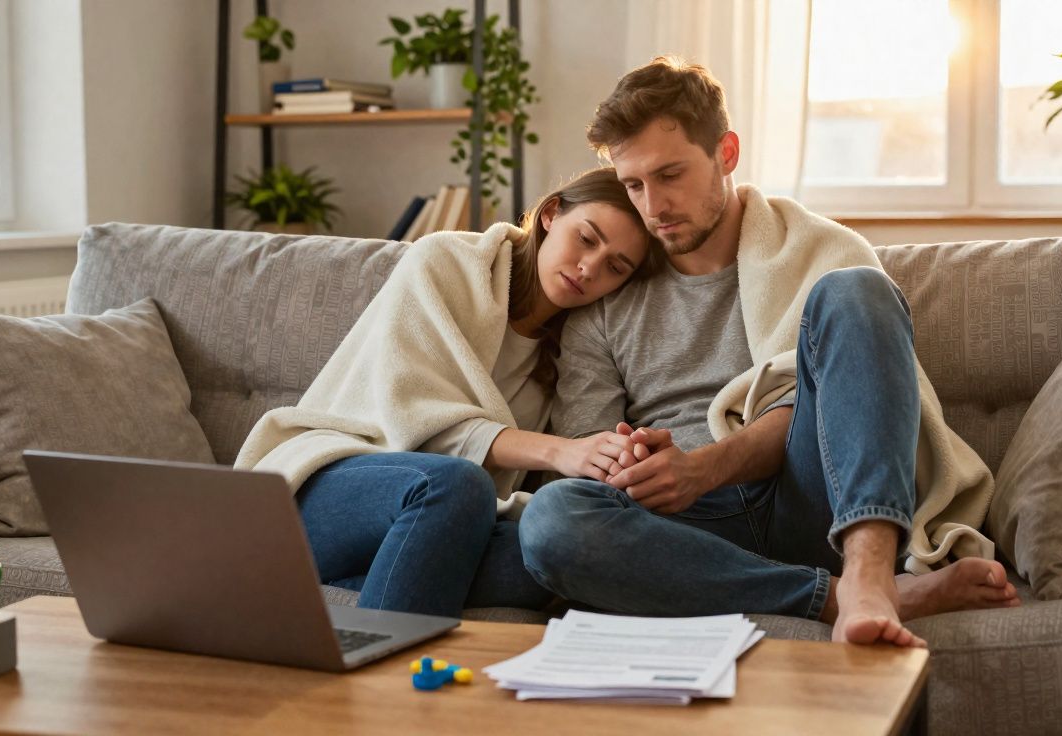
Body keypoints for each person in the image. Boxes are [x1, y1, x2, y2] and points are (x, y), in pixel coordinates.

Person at [519, 58, 1021, 648]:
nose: (652, 207)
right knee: (553, 520)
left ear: (726, 153)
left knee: (858, 290)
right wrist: (633, 460)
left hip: (811, 499)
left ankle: (868, 572)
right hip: (684, 533)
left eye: (670, 174)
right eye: (634, 185)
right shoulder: (608, 293)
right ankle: (834, 598)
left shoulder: (820, 251)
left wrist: (702, 466)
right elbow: (592, 454)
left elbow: (839, 410)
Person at [234, 167, 663, 618]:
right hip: (324, 490)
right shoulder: (446, 261)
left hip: (440, 520)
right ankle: (382, 672)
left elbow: (553, 496)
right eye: (587, 239)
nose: (589, 268)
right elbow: (410, 415)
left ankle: (378, 582)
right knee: (454, 481)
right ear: (551, 214)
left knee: (548, 553)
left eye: (615, 267)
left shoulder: (575, 350)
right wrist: (560, 451)